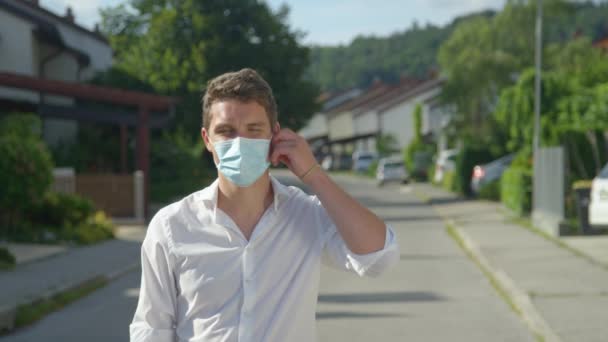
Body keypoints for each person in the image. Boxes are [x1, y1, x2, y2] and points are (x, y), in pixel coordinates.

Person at [129, 68, 399, 342]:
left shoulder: (308, 214)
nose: (240, 142)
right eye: (226, 131)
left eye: (253, 130)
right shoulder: (171, 226)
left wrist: (314, 174)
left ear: (275, 134)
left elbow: (380, 257)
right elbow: (152, 329)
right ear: (207, 140)